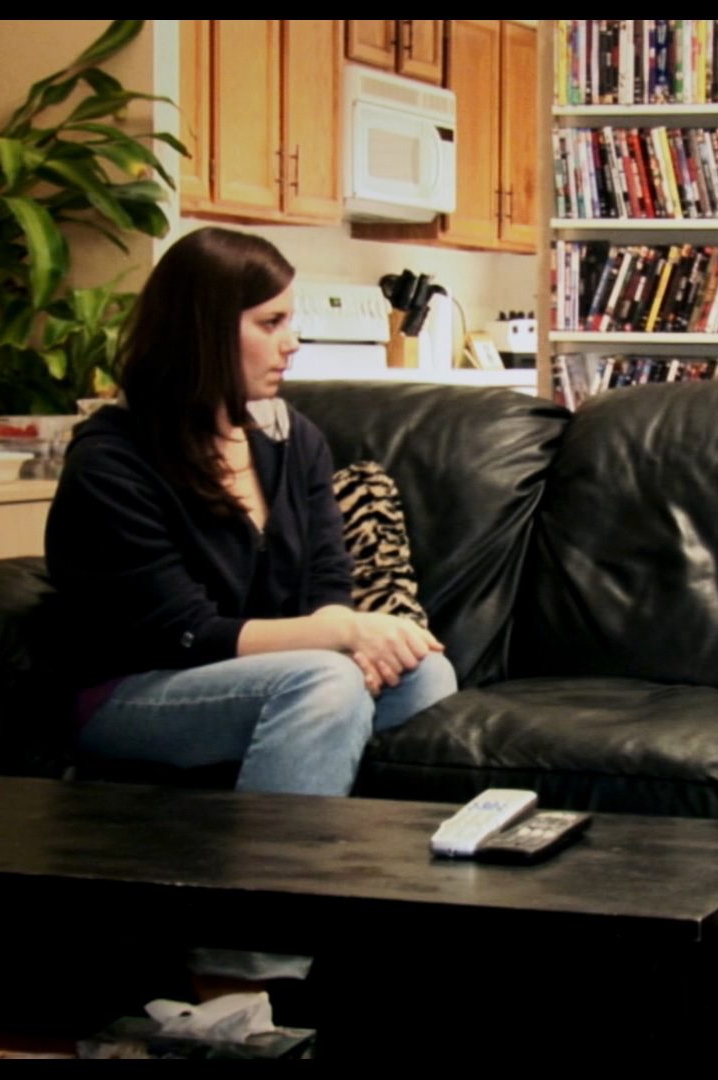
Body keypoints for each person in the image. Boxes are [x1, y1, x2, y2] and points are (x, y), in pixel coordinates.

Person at [46, 227, 459, 800]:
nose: (292, 342)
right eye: (271, 323)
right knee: (325, 680)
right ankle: (274, 857)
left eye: (290, 321)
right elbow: (184, 633)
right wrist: (342, 634)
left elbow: (328, 581)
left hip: (270, 675)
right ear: (204, 332)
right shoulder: (113, 462)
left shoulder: (293, 439)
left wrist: (350, 639)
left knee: (423, 670)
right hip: (131, 690)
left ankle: (325, 824)